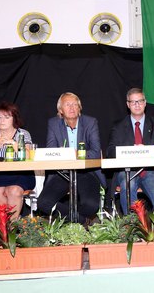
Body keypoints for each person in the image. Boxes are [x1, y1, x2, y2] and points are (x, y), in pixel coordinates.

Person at [37, 92, 105, 223]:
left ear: (80, 108)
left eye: (75, 104)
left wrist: (76, 154)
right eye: (67, 105)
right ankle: (80, 220)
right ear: (60, 110)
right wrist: (64, 154)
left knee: (91, 206)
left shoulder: (90, 122)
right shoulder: (54, 123)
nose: (72, 108)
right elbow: (51, 151)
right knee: (43, 203)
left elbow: (96, 152)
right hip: (62, 173)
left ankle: (71, 221)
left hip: (86, 172)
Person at [106, 88, 154, 214]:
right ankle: (134, 228)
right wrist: (130, 151)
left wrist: (147, 150)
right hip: (127, 171)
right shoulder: (118, 126)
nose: (137, 105)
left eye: (140, 101)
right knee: (129, 189)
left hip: (151, 171)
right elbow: (110, 151)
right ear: (127, 104)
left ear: (145, 103)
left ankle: (151, 231)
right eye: (133, 102)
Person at [0, 102, 34, 220]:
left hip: (21, 174)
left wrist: (14, 143)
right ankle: (8, 224)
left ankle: (11, 228)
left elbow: (29, 156)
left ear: (14, 119)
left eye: (6, 117)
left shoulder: (23, 134)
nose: (2, 120)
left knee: (13, 190)